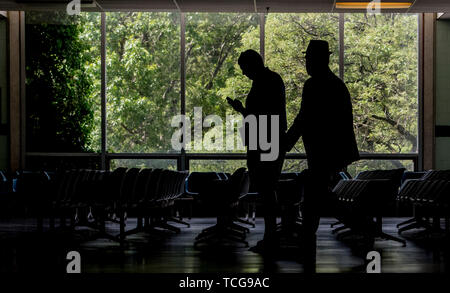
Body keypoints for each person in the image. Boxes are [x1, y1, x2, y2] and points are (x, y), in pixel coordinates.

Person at [284, 40, 359, 262]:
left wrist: (286, 143)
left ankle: (360, 226)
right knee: (318, 197)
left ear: (316, 60)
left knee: (318, 198)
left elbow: (303, 118)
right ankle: (308, 240)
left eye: (308, 58)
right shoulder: (336, 84)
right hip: (333, 153)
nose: (306, 62)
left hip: (322, 153)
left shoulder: (314, 85)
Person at [227, 49, 287, 253]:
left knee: (267, 190)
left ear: (252, 65)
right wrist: (243, 110)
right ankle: (271, 236)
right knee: (267, 190)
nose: (244, 73)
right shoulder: (271, 80)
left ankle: (271, 238)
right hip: (268, 141)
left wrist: (245, 112)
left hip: (264, 143)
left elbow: (261, 116)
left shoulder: (265, 82)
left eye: (244, 69)